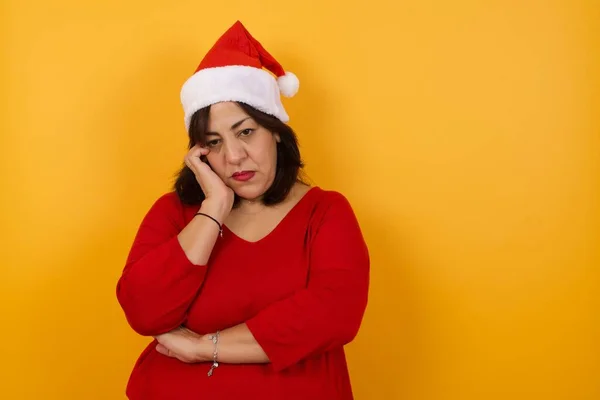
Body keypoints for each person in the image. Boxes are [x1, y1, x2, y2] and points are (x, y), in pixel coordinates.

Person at [116, 20, 370, 400]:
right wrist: (214, 208)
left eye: (246, 131)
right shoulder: (174, 213)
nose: (233, 156)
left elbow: (334, 315)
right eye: (214, 142)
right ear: (199, 153)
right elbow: (143, 311)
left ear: (278, 132)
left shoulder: (326, 212)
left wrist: (203, 348)